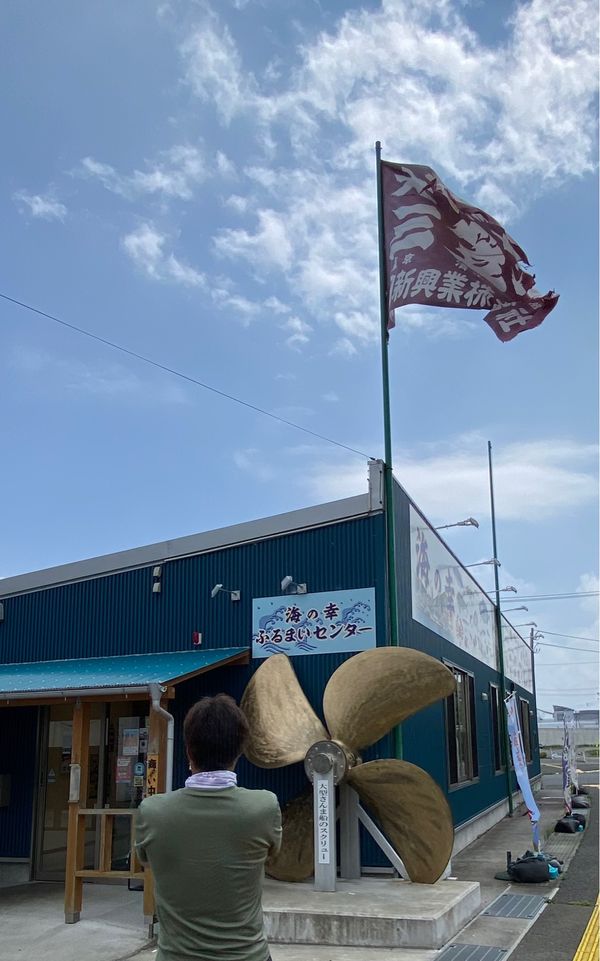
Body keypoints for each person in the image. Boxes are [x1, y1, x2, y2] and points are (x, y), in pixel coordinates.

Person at [135, 693, 282, 961]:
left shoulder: (152, 812)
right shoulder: (264, 807)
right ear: (240, 751)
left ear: (189, 750)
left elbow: (144, 860)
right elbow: (272, 854)